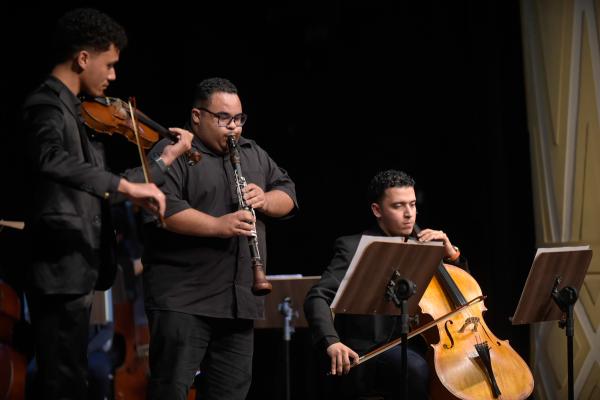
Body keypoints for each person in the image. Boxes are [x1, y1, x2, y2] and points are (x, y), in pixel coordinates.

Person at [21, 8, 193, 400]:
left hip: (77, 267)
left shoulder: (76, 111)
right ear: (83, 58)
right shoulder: (45, 105)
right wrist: (127, 188)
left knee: (73, 379)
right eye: (110, 64)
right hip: (59, 266)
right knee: (62, 382)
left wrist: (163, 162)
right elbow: (50, 159)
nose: (113, 76)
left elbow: (103, 186)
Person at [141, 77, 298, 400]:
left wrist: (266, 199)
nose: (234, 127)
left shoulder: (252, 152)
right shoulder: (173, 151)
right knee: (170, 390)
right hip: (184, 300)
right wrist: (218, 225)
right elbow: (162, 209)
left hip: (239, 303)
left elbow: (288, 194)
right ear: (197, 116)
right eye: (224, 118)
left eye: (239, 118)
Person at [304, 170, 468, 399]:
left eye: (412, 204)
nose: (409, 214)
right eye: (398, 206)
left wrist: (452, 255)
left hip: (418, 345)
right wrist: (331, 342)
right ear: (377, 210)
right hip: (369, 353)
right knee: (414, 369)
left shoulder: (424, 247)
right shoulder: (354, 247)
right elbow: (317, 297)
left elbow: (462, 295)